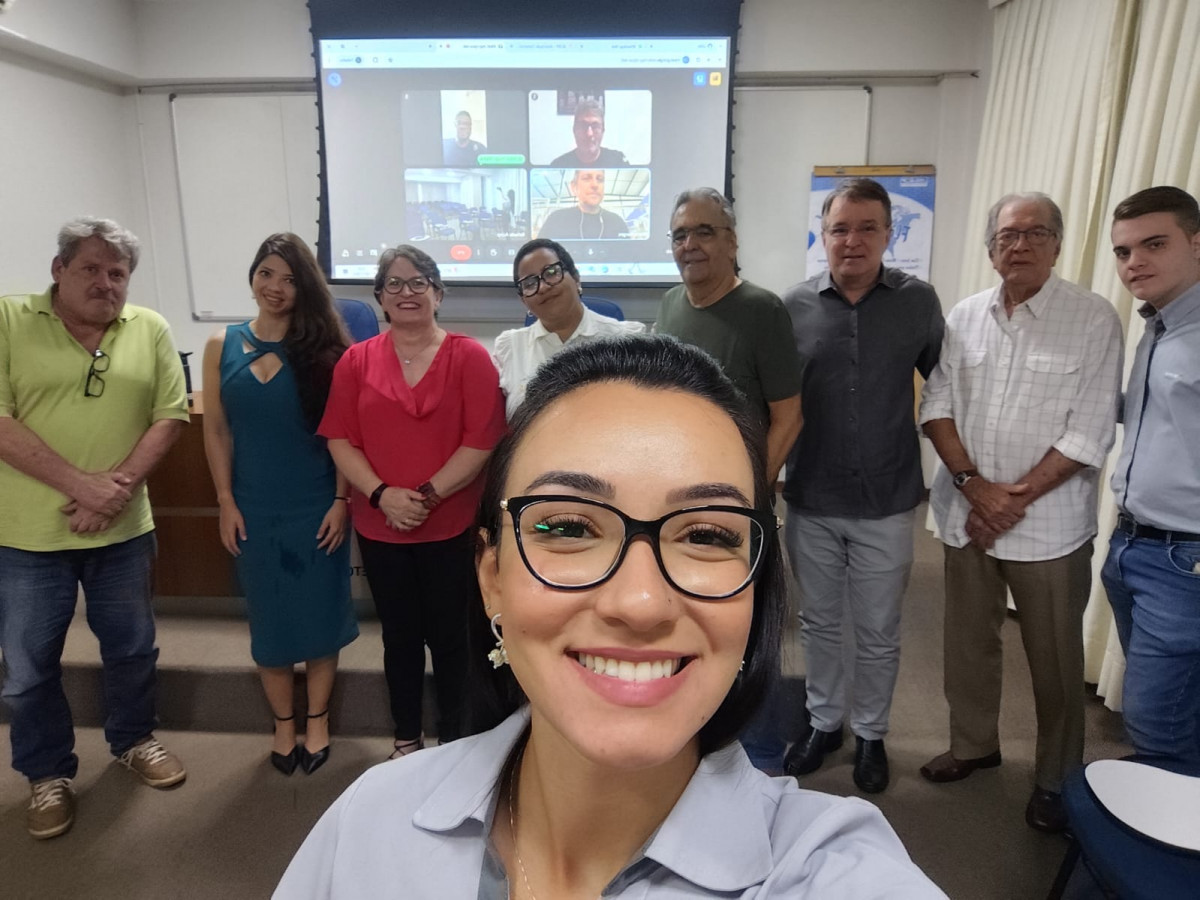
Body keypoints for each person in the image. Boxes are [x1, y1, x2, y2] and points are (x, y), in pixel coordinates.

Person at [274, 336, 948, 899]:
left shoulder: (831, 874)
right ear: (492, 581)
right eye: (568, 526)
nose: (640, 603)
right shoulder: (371, 822)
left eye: (707, 536)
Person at [918, 192, 1123, 833]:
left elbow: (1089, 432)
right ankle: (974, 744)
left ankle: (1058, 779)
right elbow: (937, 404)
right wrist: (975, 488)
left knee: (1055, 661)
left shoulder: (1093, 319)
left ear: (1058, 245)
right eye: (1008, 235)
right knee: (968, 646)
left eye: (1037, 233)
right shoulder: (966, 315)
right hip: (966, 515)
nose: (1021, 245)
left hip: (1050, 529)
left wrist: (1010, 501)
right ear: (991, 247)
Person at [0, 217, 190, 840]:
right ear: (58, 270)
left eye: (118, 273)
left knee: (133, 647)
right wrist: (80, 485)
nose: (105, 283)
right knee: (28, 667)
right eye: (91, 268)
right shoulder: (8, 320)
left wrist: (113, 493)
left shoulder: (150, 328)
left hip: (123, 531)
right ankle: (46, 774)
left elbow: (169, 415)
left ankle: (134, 739)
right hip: (27, 537)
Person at [781, 178, 945, 794]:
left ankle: (872, 733)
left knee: (878, 628)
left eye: (867, 227)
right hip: (813, 498)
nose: (853, 240)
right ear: (823, 237)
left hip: (886, 499)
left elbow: (948, 387)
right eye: (840, 228)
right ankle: (826, 724)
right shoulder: (791, 307)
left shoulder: (917, 302)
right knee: (821, 622)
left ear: (887, 234)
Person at [318, 245, 506, 758]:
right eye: (395, 284)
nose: (407, 292)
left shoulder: (470, 356)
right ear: (379, 297)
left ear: (438, 294)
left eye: (419, 281)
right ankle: (406, 738)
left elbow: (482, 439)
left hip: (451, 524)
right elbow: (341, 440)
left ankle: (453, 739)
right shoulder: (356, 361)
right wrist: (383, 496)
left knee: (452, 641)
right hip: (382, 528)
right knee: (399, 640)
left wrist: (423, 496)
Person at [200, 233, 359, 777]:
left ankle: (317, 719)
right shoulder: (221, 345)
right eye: (267, 273)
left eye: (290, 279)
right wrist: (224, 499)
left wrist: (341, 500)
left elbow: (344, 434)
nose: (276, 287)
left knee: (319, 615)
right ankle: (282, 725)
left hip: (315, 501)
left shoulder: (326, 350)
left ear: (305, 288)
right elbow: (216, 429)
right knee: (268, 622)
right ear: (253, 275)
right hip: (253, 505)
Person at [1101, 185, 1200, 764]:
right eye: (1122, 251)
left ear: (1196, 242)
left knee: (1156, 723)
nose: (1134, 262)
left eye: (1154, 244)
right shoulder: (1159, 327)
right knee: (1179, 710)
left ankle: (1159, 848)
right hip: (1134, 543)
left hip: (1184, 559)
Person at [656, 187, 803, 487]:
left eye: (704, 232)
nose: (689, 245)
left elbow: (789, 418)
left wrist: (753, 491)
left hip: (734, 485)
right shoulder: (670, 304)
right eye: (679, 236)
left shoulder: (763, 310)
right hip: (676, 479)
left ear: (732, 243)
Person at [493, 238, 643, 419]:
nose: (543, 287)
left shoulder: (626, 340)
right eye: (530, 284)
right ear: (523, 300)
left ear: (576, 278)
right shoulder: (509, 347)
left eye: (551, 272)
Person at [537, 170, 629, 241]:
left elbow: (631, 257)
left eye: (600, 179)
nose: (595, 185)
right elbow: (539, 256)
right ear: (574, 187)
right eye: (586, 178)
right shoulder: (556, 219)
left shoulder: (617, 222)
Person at [549, 99, 629, 167]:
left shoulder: (618, 161)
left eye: (595, 127)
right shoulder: (558, 165)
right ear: (574, 130)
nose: (589, 134)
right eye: (583, 126)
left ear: (603, 130)